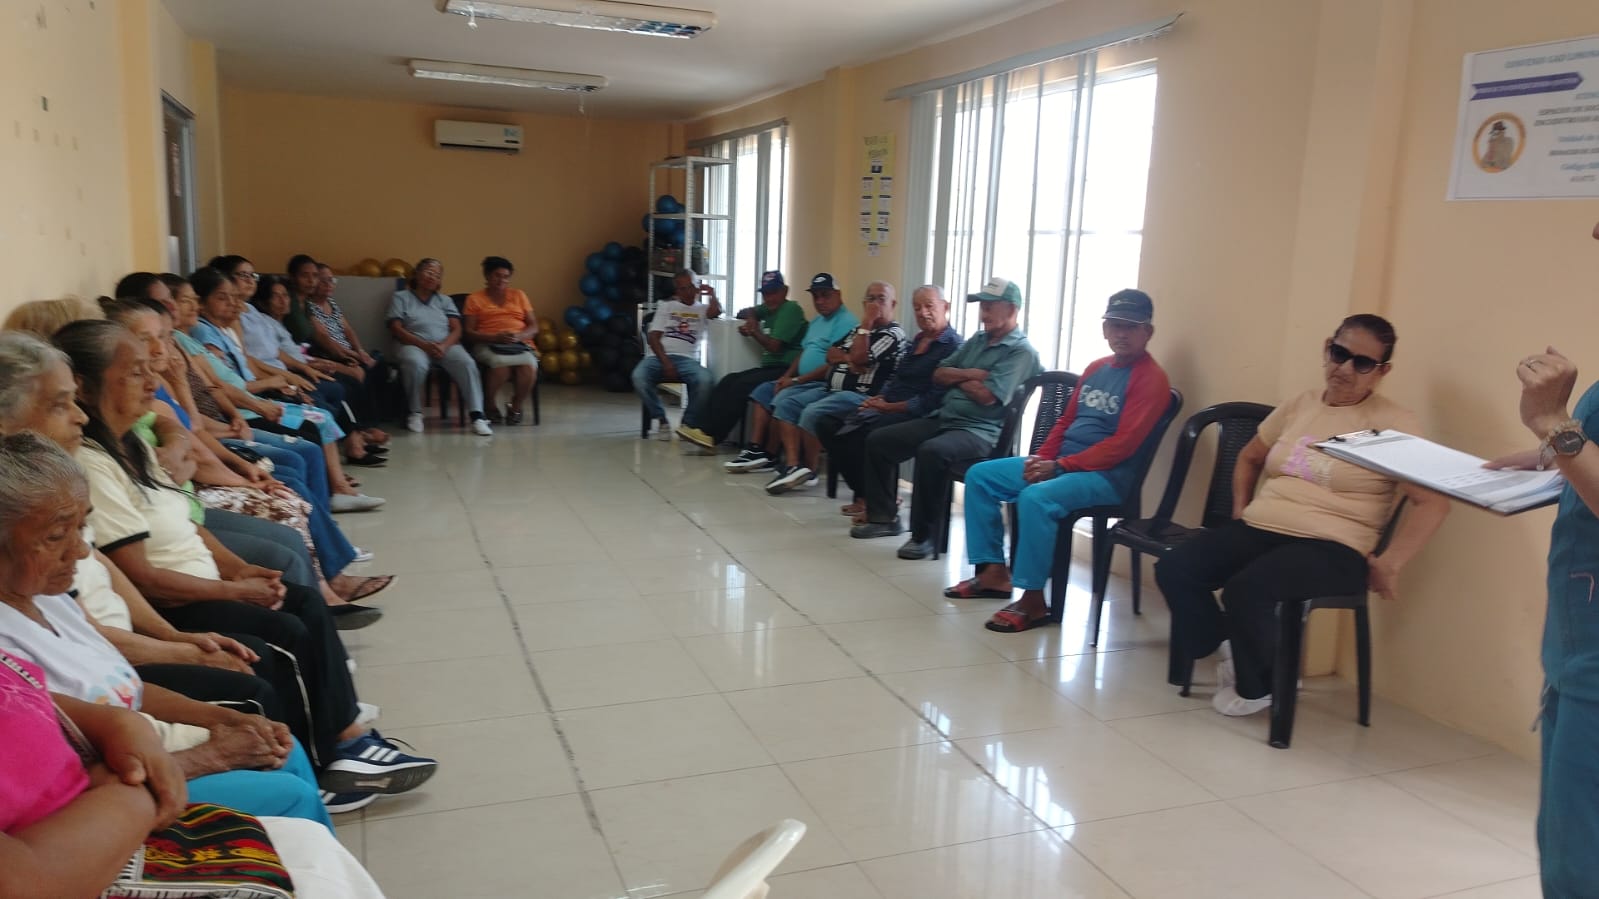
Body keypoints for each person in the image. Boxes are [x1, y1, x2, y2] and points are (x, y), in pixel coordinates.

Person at [50, 319, 438, 809]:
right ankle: (325, 762)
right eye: (135, 373)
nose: (153, 380)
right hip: (171, 600)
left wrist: (236, 570)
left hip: (189, 588)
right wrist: (214, 606)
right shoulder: (90, 465)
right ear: (86, 387)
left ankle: (345, 735)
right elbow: (138, 576)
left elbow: (186, 521)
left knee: (302, 603)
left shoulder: (131, 441)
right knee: (277, 645)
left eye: (152, 366)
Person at [0, 432, 332, 826]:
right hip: (117, 799)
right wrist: (214, 755)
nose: (82, 550)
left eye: (82, 528)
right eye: (56, 536)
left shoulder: (49, 598)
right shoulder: (9, 656)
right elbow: (65, 790)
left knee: (283, 747)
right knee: (290, 795)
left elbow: (125, 691)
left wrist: (223, 720)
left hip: (153, 751)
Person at [1154, 313, 1449, 717]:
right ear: (1327, 348)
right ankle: (1230, 642)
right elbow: (1250, 457)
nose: (1345, 369)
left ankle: (1259, 687)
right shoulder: (1302, 404)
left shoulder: (1395, 424)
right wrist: (1242, 511)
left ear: (1382, 371)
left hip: (1335, 547)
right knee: (1176, 568)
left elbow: (1432, 503)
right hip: (1263, 527)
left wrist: (1391, 563)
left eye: (1362, 363)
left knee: (1246, 589)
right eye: (1339, 353)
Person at [0, 649, 387, 897]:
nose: (77, 552)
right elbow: (30, 882)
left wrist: (127, 729)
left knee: (305, 831)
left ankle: (341, 743)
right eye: (54, 543)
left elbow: (78, 705)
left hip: (112, 796)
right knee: (302, 834)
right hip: (92, 839)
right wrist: (144, 783)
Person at [1480, 219, 1599, 896]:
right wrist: (1545, 452)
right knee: (1562, 841)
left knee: (1579, 865)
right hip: (1576, 648)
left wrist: (1553, 421)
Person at [951, 290, 1173, 632]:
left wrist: (1058, 467)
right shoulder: (1096, 368)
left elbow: (1122, 446)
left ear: (1148, 332)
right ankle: (993, 573)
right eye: (1115, 325)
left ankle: (1033, 600)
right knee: (981, 476)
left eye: (1131, 326)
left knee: (1036, 498)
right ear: (1104, 329)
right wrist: (1042, 459)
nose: (1121, 333)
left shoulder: (1152, 380)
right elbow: (1066, 421)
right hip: (1063, 464)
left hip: (1108, 478)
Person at [851, 276, 1043, 560]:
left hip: (980, 432)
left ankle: (925, 536)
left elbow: (987, 397)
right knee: (880, 440)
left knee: (932, 451)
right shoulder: (978, 340)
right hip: (945, 418)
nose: (983, 313)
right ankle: (884, 518)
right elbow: (939, 373)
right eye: (982, 306)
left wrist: (957, 377)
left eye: (990, 306)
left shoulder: (1021, 352)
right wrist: (972, 375)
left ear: (1012, 309)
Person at [818, 285, 963, 520]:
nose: (922, 312)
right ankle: (867, 494)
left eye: (929, 306)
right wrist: (881, 397)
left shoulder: (953, 346)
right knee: (828, 423)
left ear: (945, 307)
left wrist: (889, 407)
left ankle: (882, 506)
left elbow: (932, 399)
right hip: (889, 405)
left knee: (865, 434)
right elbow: (897, 377)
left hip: (918, 414)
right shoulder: (918, 340)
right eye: (917, 308)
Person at [766, 281, 904, 494]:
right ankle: (793, 466)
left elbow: (860, 357)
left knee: (812, 412)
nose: (874, 304)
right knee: (787, 403)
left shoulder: (892, 334)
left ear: (892, 304)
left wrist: (866, 324)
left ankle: (810, 470)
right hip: (832, 389)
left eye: (881, 299)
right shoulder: (858, 330)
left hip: (862, 395)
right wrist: (850, 359)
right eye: (870, 299)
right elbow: (831, 354)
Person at [724, 273, 859, 474]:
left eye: (825, 295)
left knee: (783, 398)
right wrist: (786, 376)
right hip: (801, 380)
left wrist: (796, 380)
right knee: (763, 391)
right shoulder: (817, 321)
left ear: (838, 294)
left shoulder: (846, 322)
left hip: (822, 382)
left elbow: (833, 364)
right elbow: (804, 353)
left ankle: (774, 455)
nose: (819, 301)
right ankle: (755, 449)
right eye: (815, 296)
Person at [683, 270, 806, 449]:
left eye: (774, 293)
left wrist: (753, 331)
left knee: (741, 386)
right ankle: (700, 427)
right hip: (770, 367)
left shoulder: (790, 309)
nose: (769, 298)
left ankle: (713, 436)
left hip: (787, 369)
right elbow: (746, 311)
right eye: (765, 294)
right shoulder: (769, 308)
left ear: (785, 291)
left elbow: (774, 346)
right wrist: (752, 318)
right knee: (728, 380)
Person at [387, 257, 492, 436]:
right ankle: (415, 412)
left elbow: (457, 329)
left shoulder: (445, 300)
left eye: (437, 275)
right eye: (428, 272)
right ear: (417, 274)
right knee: (414, 363)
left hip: (445, 344)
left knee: (467, 363)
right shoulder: (401, 297)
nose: (432, 277)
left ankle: (477, 416)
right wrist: (424, 345)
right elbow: (396, 328)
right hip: (413, 344)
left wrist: (444, 346)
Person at [634, 270, 720, 441]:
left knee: (706, 380)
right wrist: (666, 362)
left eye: (691, 287)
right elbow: (653, 338)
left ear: (697, 287)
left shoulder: (702, 309)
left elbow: (717, 311)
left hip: (688, 359)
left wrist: (712, 294)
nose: (688, 292)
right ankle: (661, 419)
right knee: (638, 377)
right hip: (658, 357)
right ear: (677, 291)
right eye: (683, 288)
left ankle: (687, 425)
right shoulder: (666, 306)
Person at [461, 255, 539, 424]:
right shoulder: (474, 299)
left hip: (519, 344)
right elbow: (469, 332)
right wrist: (495, 337)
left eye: (506, 276)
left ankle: (516, 406)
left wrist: (519, 336)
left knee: (529, 367)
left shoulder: (519, 295)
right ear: (487, 276)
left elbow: (534, 327)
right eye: (497, 275)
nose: (502, 280)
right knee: (501, 367)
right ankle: (489, 404)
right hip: (488, 343)